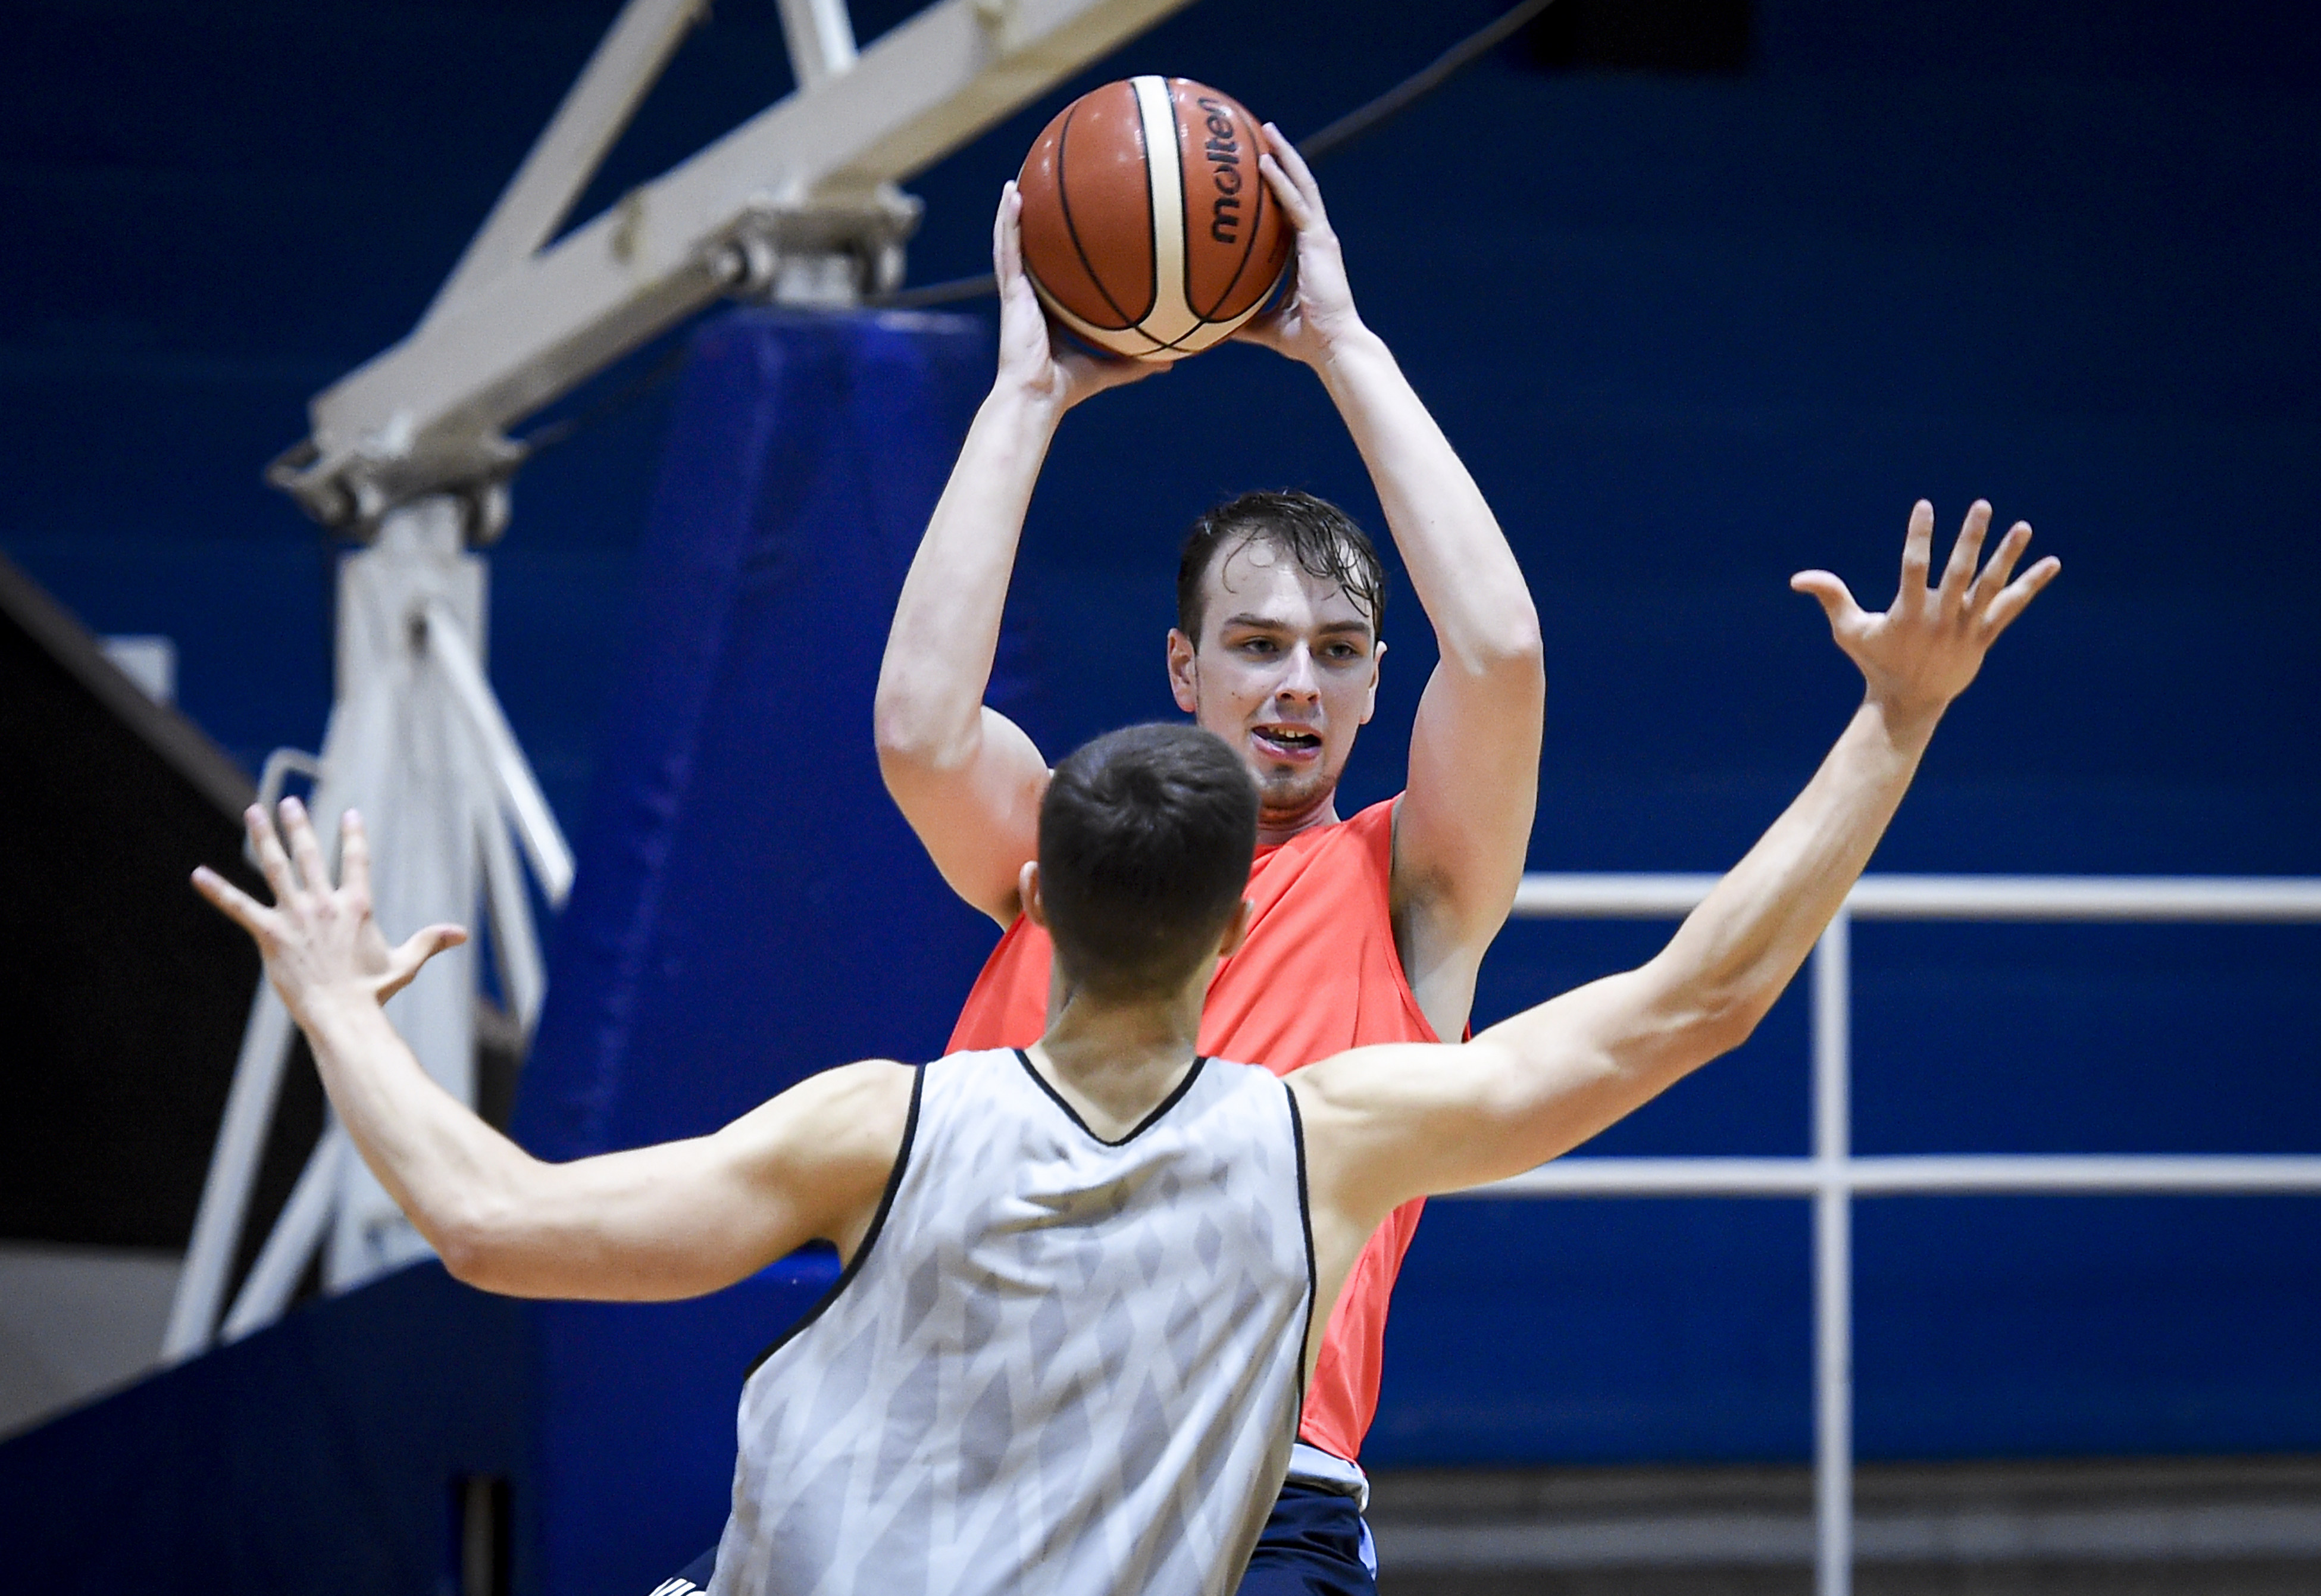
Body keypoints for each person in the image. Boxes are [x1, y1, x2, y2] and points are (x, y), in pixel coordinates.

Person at [192, 500, 2056, 1596]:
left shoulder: (881, 1123)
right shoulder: (1323, 1137)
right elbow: (1694, 997)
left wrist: (346, 1009)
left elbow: (487, 1220)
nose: (1299, 684)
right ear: (1235, 922)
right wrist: (1891, 727)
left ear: (1032, 903)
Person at [873, 127, 1545, 1585]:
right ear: (1184, 669)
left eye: (1338, 652)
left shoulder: (1411, 892)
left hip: (1252, 1498)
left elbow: (1501, 652)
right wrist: (1026, 399)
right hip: (971, 1474)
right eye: (1257, 647)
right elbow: (923, 737)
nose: (1299, 682)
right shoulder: (1083, 856)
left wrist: (1343, 345)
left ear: (1378, 690)